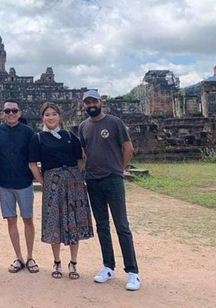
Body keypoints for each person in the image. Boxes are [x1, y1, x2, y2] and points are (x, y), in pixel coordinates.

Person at [78, 89, 141, 291]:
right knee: (102, 225)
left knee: (122, 225)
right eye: (87, 103)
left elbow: (128, 148)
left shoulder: (114, 122)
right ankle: (108, 266)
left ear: (101, 101)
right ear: (83, 106)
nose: (91, 105)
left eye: (94, 101)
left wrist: (118, 169)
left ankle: (132, 271)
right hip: (93, 180)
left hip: (112, 179)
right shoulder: (83, 126)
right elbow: (85, 152)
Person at [29, 102, 94, 280]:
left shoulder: (69, 136)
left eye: (54, 114)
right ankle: (56, 261)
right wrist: (44, 181)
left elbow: (80, 159)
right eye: (47, 115)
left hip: (73, 182)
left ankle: (73, 262)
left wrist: (73, 176)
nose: (50, 117)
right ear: (42, 118)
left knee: (73, 221)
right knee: (54, 221)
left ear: (59, 116)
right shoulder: (39, 138)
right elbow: (32, 164)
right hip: (52, 183)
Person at [0, 99, 38, 273]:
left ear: (20, 113)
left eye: (14, 111)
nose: (11, 114)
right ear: (2, 113)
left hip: (24, 181)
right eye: (7, 111)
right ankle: (19, 257)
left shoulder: (28, 132)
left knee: (27, 219)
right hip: (5, 182)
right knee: (11, 219)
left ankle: (30, 256)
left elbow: (33, 158)